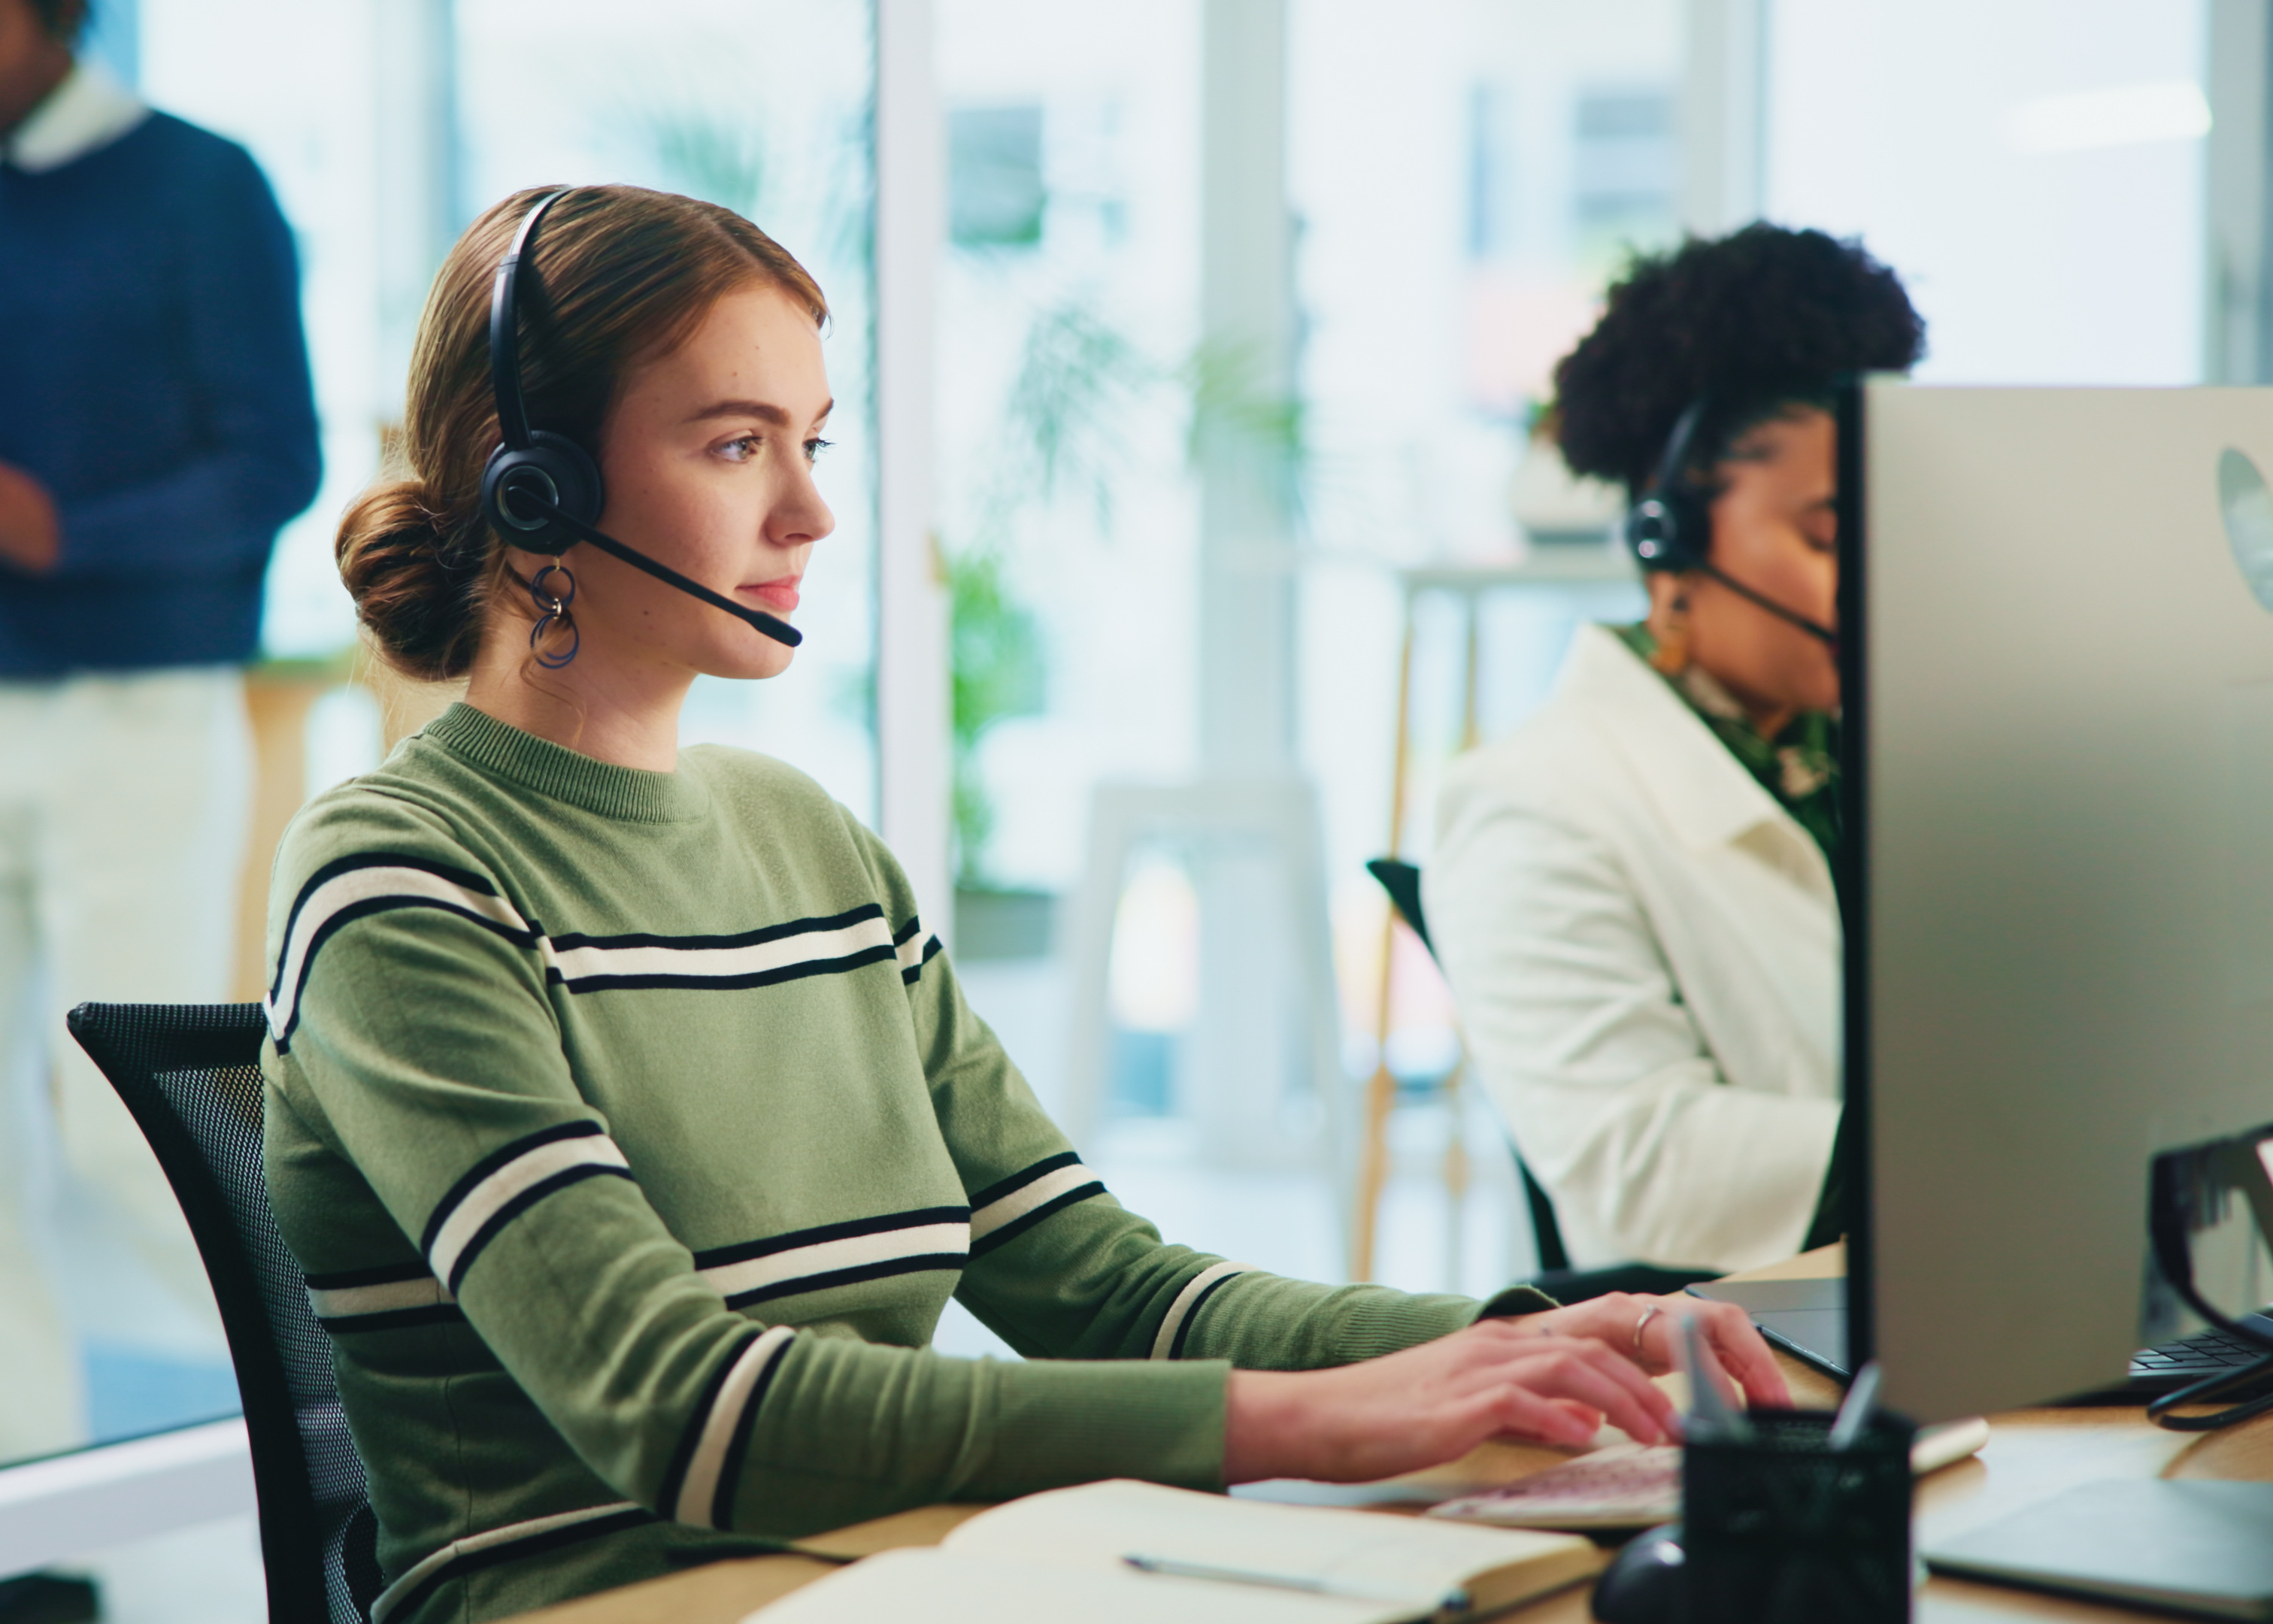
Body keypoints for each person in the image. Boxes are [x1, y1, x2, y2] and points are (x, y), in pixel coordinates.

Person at [262, 184, 1790, 1624]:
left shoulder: (807, 845)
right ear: (535, 484)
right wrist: (1300, 1425)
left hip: (906, 1578)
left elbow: (1102, 1288)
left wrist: (1508, 1344)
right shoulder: (396, 879)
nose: (809, 515)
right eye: (736, 447)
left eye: (815, 442)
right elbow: (679, 1410)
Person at [0, 1, 317, 1618]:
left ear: (55, 12)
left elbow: (275, 465)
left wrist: (70, 532)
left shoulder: (207, 187)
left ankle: (361, 1451)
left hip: (135, 708)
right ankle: (16, 1537)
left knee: (131, 1137)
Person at [1425, 225, 1926, 1278]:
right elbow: (1643, 1165)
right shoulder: (1534, 805)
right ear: (1669, 543)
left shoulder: (1900, 758)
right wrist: (1993, 1153)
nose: (1881, 568)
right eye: (1832, 534)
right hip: (1745, 1376)